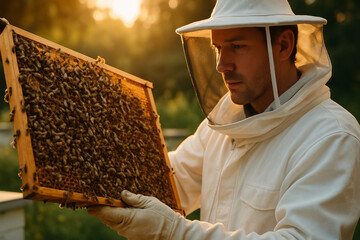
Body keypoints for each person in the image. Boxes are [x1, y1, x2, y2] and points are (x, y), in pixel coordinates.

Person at [88, 0, 360, 239]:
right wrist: (93, 160)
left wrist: (175, 233)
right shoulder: (222, 125)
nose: (222, 65)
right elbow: (169, 181)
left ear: (283, 45)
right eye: (218, 48)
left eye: (237, 46)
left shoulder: (331, 137)